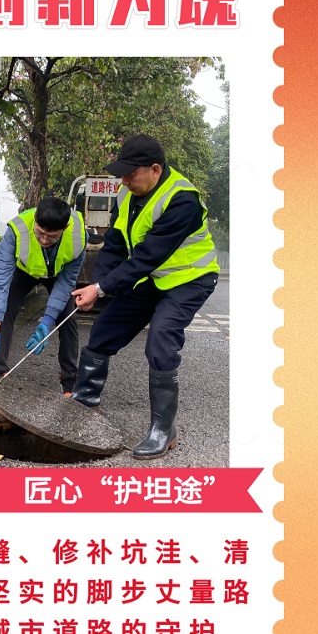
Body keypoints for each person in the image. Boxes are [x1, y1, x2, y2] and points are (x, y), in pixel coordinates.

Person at [71, 134, 219, 459]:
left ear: (155, 169)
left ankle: (163, 430)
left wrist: (102, 288)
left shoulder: (182, 200)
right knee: (105, 328)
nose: (124, 181)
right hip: (152, 278)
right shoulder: (128, 194)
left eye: (130, 174)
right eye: (122, 174)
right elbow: (115, 245)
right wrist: (97, 286)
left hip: (189, 280)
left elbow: (146, 257)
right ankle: (85, 400)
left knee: (161, 338)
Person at [0, 197, 87, 394]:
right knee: (6, 309)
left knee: (68, 319)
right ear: (35, 221)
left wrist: (46, 323)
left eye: (52, 237)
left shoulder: (78, 235)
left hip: (58, 274)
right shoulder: (16, 230)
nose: (44, 240)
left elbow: (67, 282)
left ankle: (69, 378)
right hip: (25, 270)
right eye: (40, 233)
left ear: (65, 227)